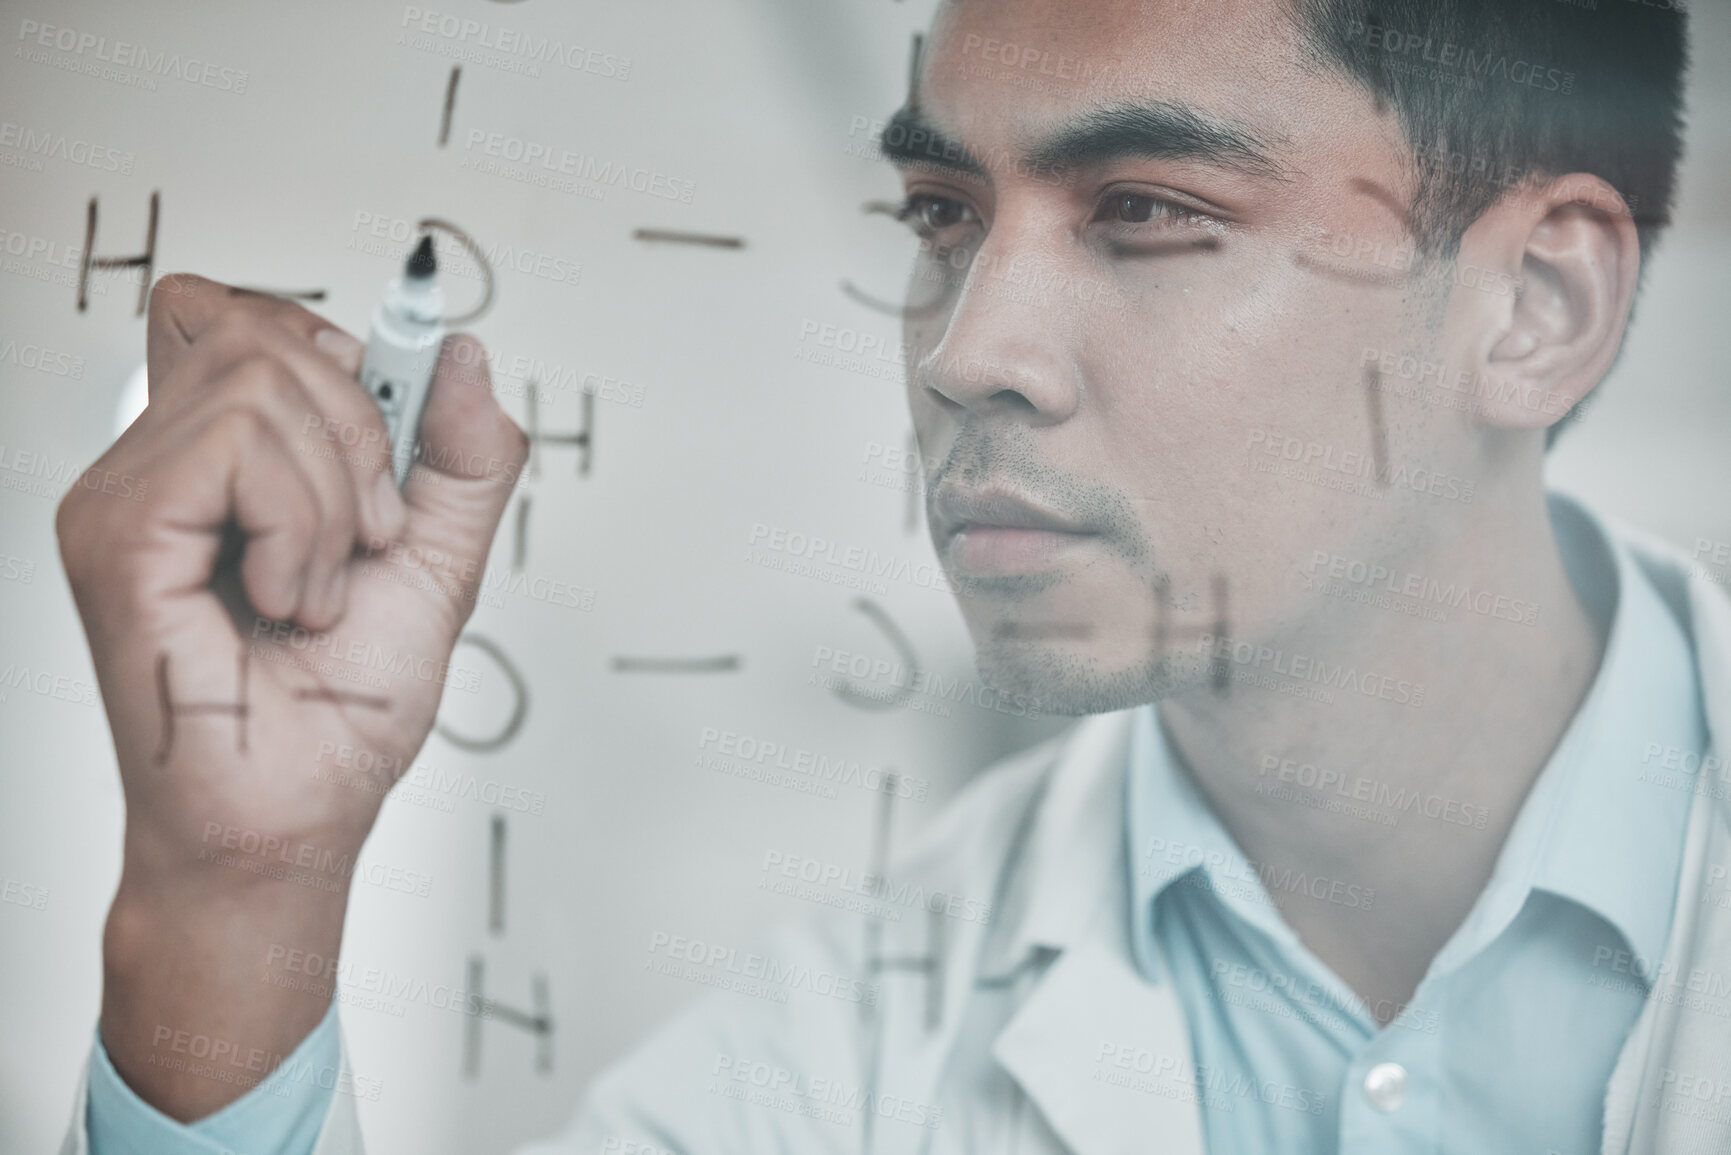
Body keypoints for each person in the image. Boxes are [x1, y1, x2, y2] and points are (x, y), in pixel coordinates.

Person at [56, 0, 1723, 1152]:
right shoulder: (864, 1025)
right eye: (944, 216)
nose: (964, 350)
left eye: (1145, 209)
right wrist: (233, 896)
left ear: (1539, 308)